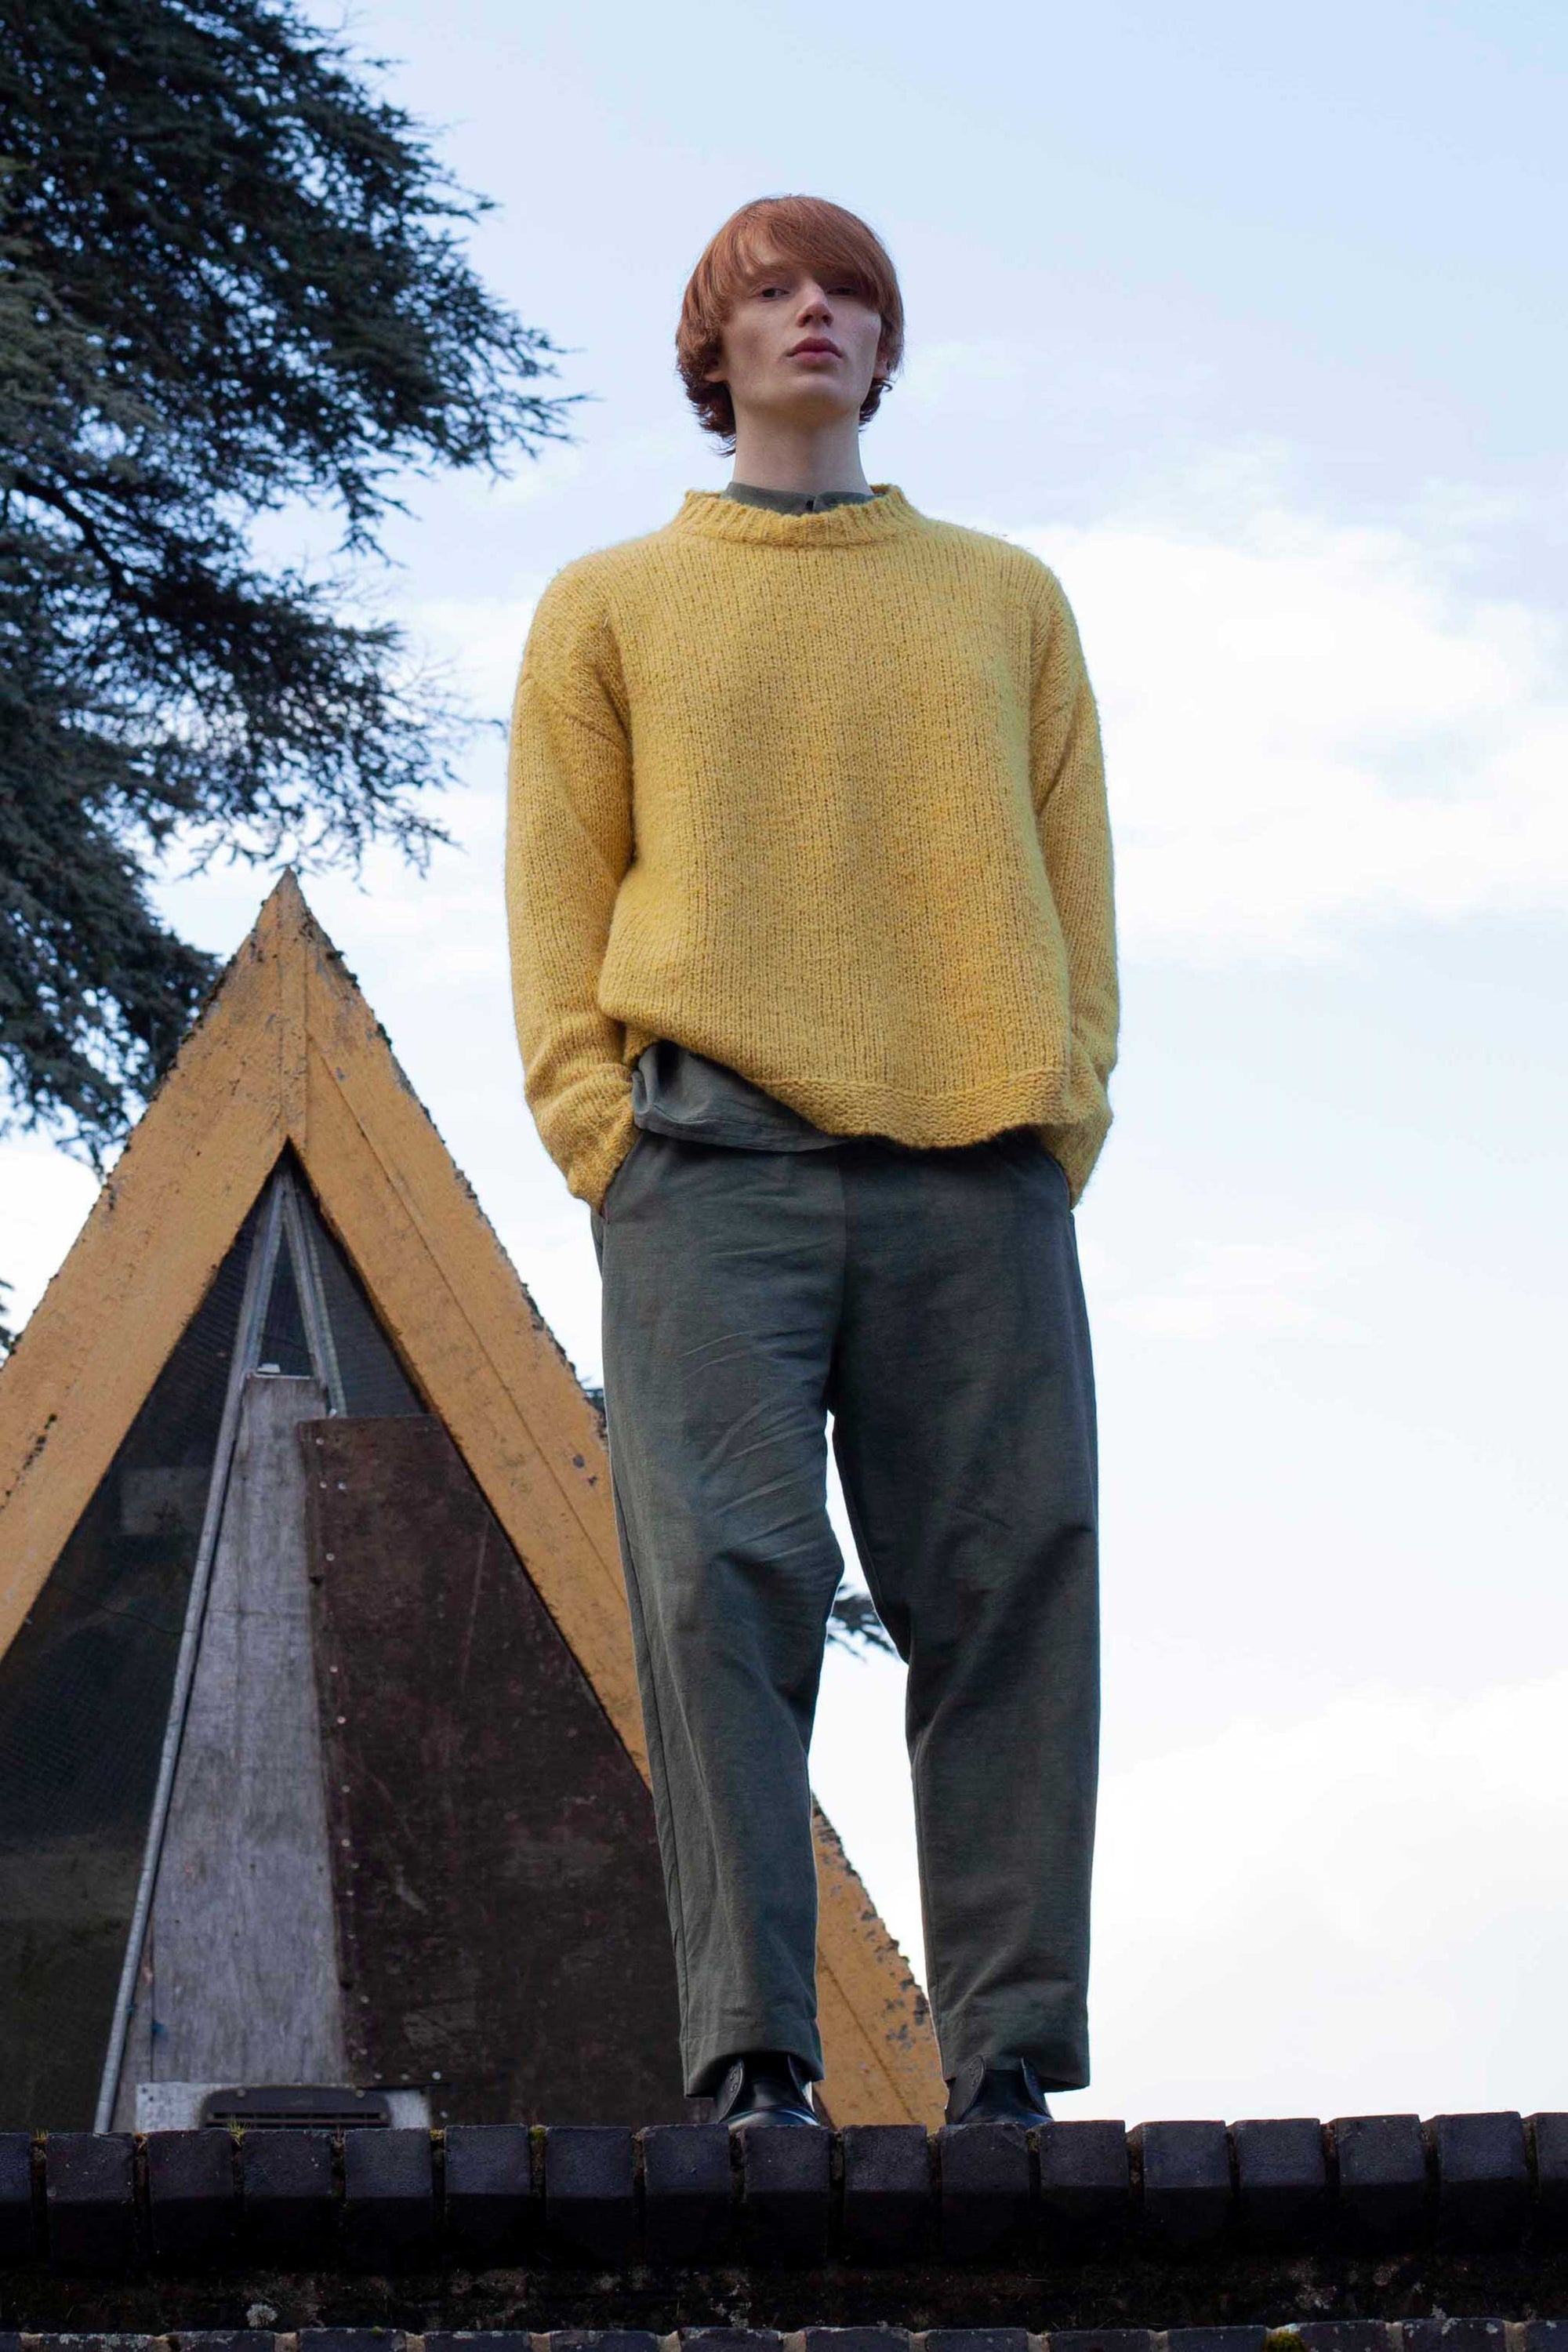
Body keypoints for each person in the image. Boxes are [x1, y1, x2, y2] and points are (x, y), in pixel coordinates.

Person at [505, 194, 1117, 2130]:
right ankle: (754, 2056)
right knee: (720, 1594)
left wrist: (1065, 1104)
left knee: (1012, 1589)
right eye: (770, 291)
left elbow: (1076, 881)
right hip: (706, 1168)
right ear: (714, 345)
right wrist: (599, 1132)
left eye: (849, 291)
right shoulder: (612, 603)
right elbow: (556, 891)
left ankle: (1007, 2068)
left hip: (978, 1171)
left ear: (883, 342)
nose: (814, 316)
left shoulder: (1003, 598)